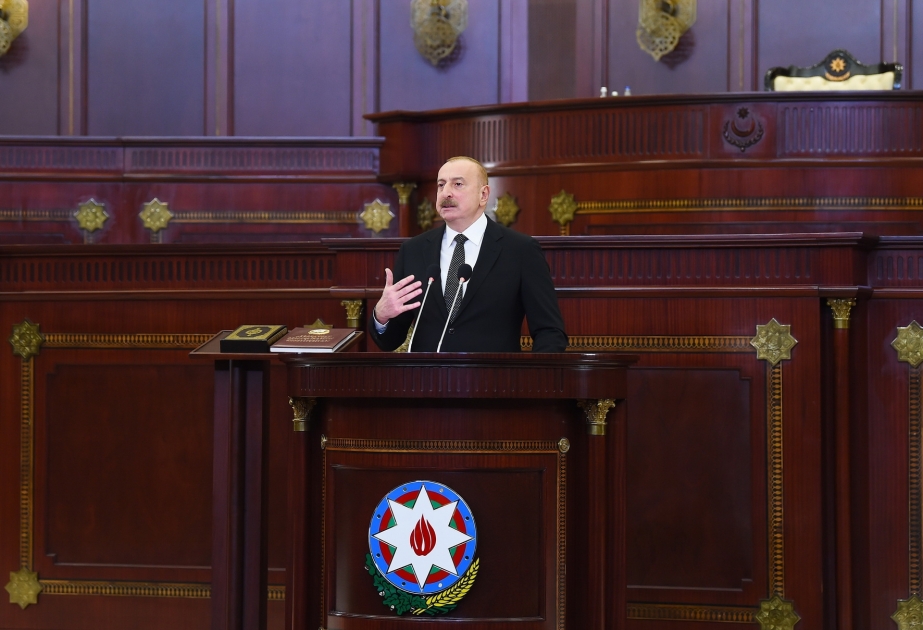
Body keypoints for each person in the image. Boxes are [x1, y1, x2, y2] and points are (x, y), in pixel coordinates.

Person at [369, 156, 567, 352]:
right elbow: (390, 341)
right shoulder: (413, 250)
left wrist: (532, 372)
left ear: (483, 195)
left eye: (458, 184)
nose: (446, 193)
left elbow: (550, 332)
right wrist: (381, 316)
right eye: (441, 185)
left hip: (494, 373)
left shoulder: (520, 250)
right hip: (427, 373)